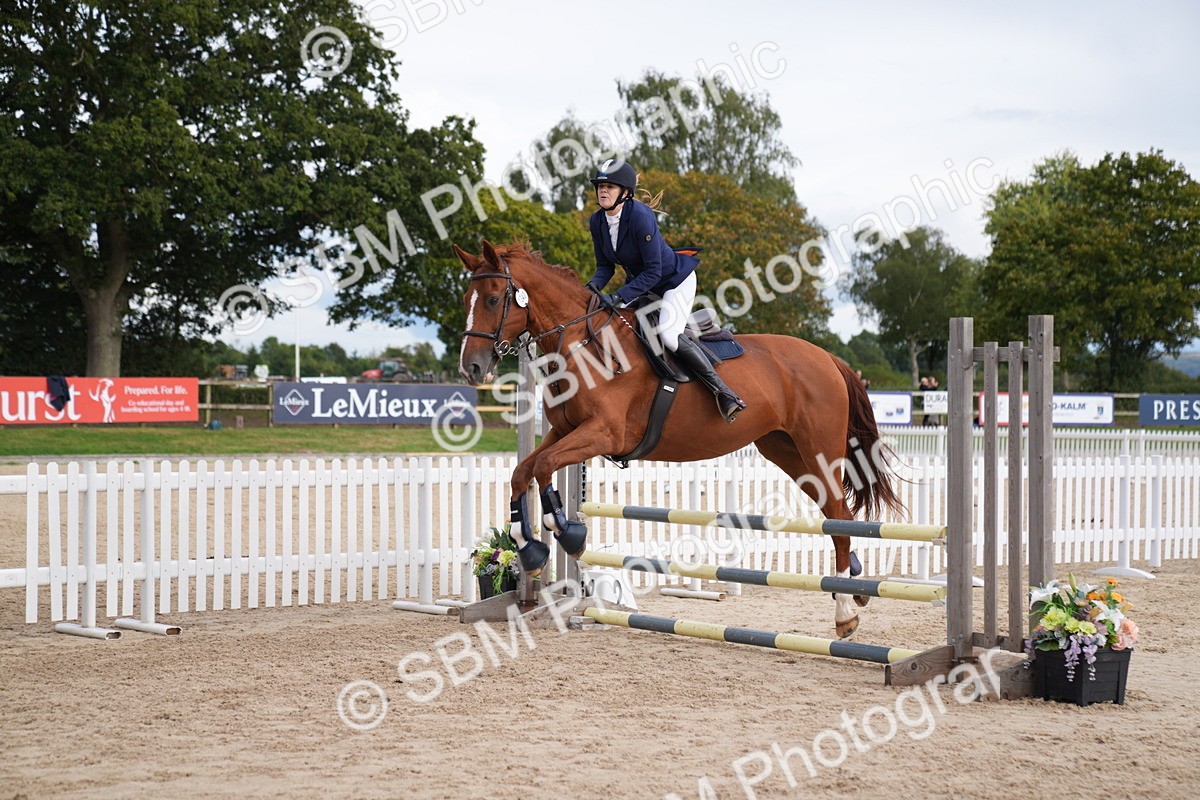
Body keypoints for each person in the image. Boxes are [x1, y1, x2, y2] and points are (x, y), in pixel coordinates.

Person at [584, 159, 747, 422]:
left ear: (625, 192)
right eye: (600, 186)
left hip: (673, 281)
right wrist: (588, 292)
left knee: (669, 336)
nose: (603, 191)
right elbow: (605, 267)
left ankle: (725, 393)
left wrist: (618, 295)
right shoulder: (598, 222)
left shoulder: (639, 216)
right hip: (642, 284)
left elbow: (654, 271)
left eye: (610, 186)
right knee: (617, 328)